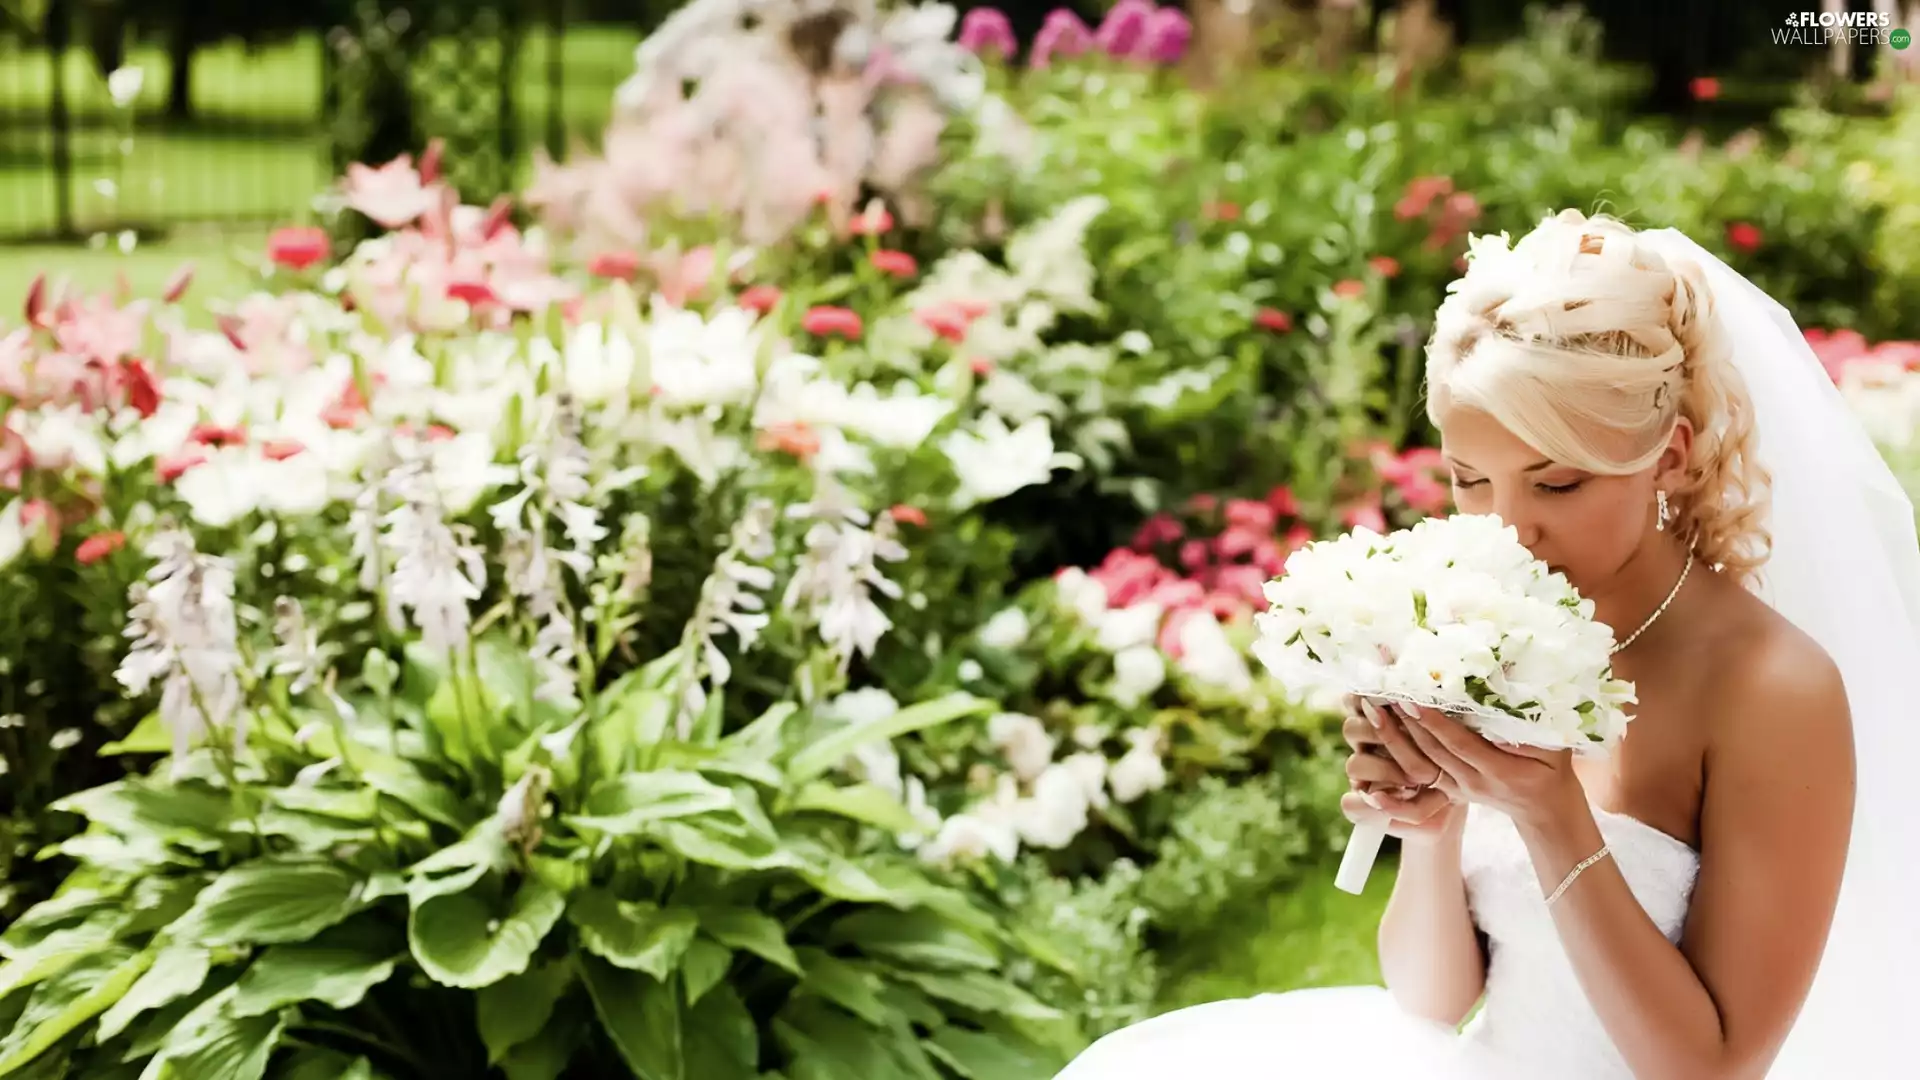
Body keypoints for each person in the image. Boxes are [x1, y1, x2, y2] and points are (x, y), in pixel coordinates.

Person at [1054, 210, 1920, 1079]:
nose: (1509, 528)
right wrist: (1431, 826)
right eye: (1470, 481)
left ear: (1670, 455)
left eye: (1557, 482)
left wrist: (1552, 816)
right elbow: (1432, 1002)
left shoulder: (1773, 690)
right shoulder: (1479, 630)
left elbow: (1710, 1069)